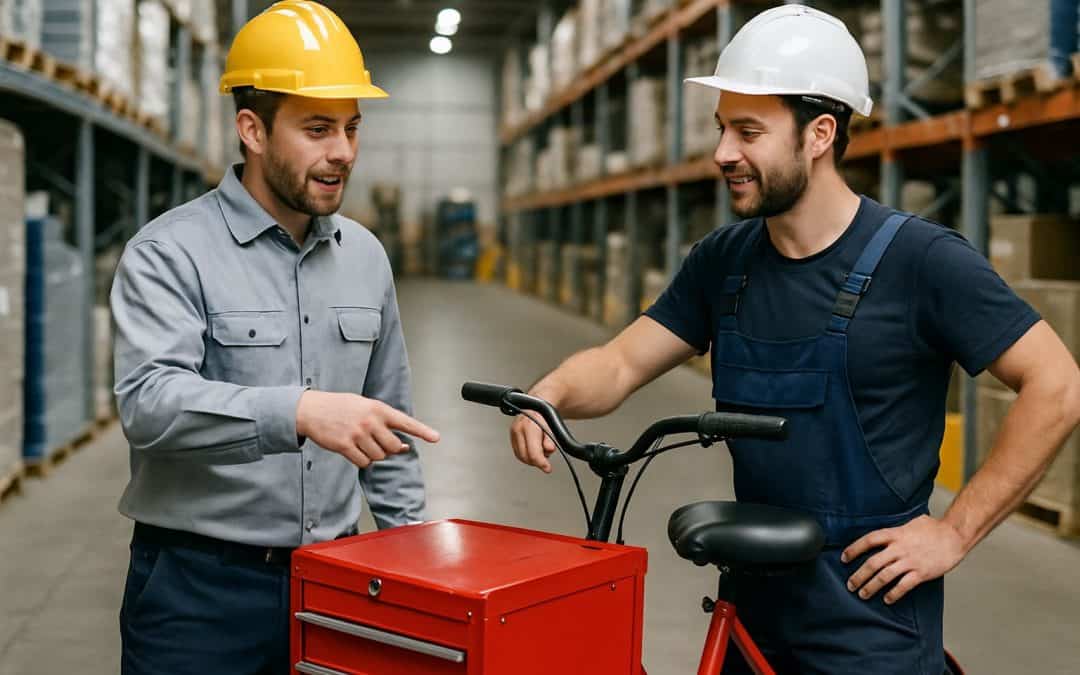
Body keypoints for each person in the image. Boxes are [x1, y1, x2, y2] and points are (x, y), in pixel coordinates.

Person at [508, 5, 1080, 673]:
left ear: (820, 133)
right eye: (722, 128)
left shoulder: (922, 261)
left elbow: (1058, 385)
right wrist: (548, 394)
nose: (723, 152)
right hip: (750, 600)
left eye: (749, 131)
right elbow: (619, 361)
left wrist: (954, 532)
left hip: (870, 617)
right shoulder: (725, 260)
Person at [110, 2, 439, 673]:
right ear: (253, 130)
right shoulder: (170, 253)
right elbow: (148, 404)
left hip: (336, 579)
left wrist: (410, 555)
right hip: (198, 592)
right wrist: (297, 411)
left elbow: (388, 425)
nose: (342, 151)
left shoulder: (366, 257)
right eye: (317, 129)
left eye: (351, 128)